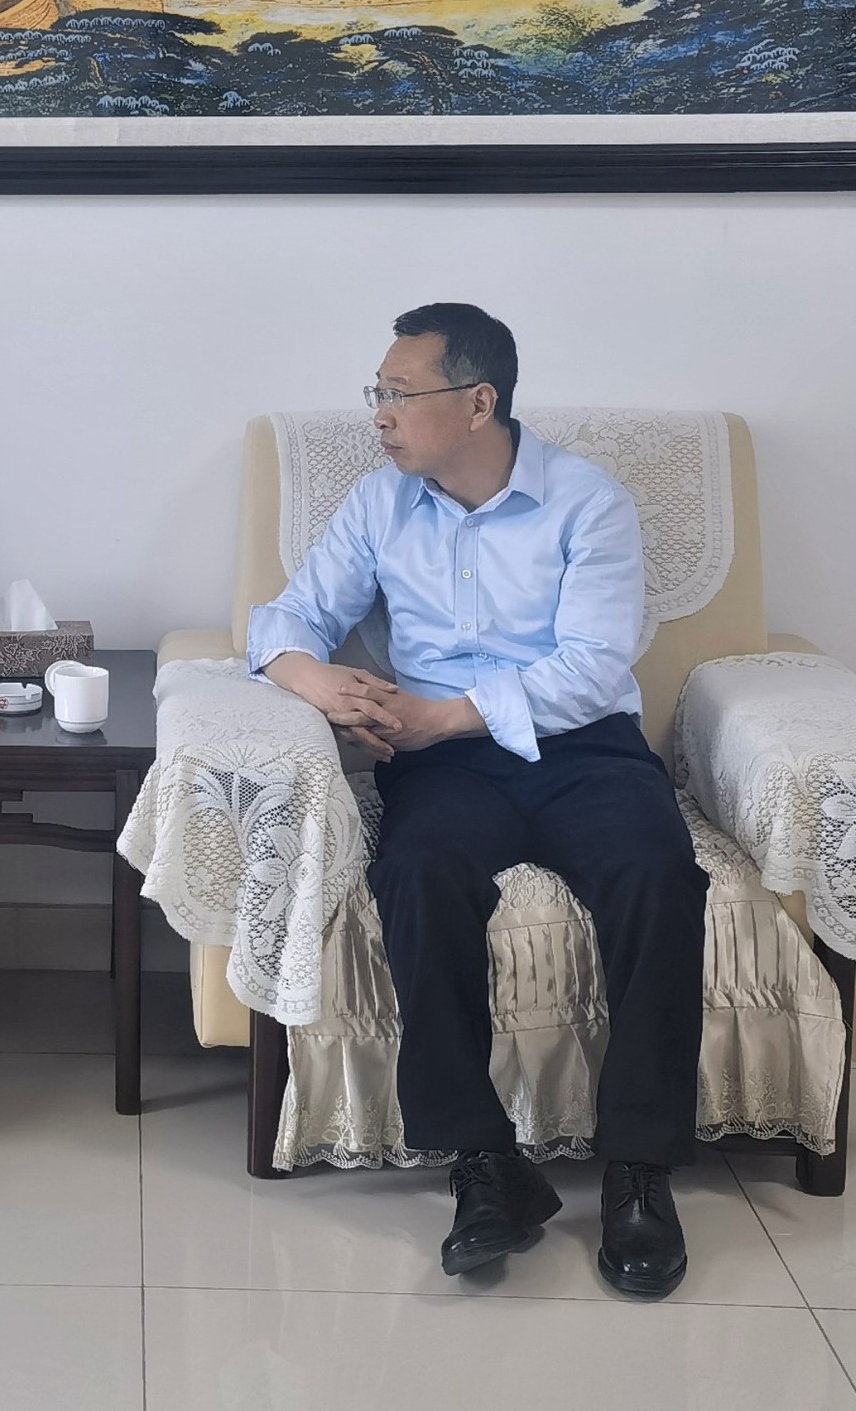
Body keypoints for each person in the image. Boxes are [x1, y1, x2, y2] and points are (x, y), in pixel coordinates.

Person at [249, 303, 706, 1301]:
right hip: (445, 764)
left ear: (477, 402)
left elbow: (592, 666)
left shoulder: (587, 503)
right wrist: (315, 680)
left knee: (657, 874)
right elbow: (290, 615)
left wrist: (444, 713)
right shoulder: (381, 504)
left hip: (580, 747)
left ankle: (639, 1170)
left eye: (398, 393)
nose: (379, 413)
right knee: (416, 873)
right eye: (376, 392)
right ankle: (483, 1164)